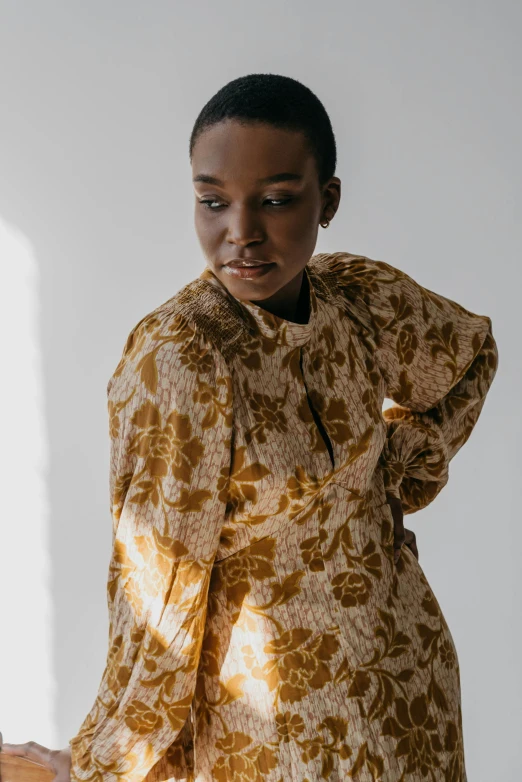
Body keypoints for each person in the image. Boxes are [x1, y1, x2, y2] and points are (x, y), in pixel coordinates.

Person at [0, 73, 498, 782]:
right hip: (268, 725)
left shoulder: (360, 303)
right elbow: (158, 588)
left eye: (275, 200)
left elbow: (469, 353)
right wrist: (101, 760)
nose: (241, 233)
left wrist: (396, 477)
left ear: (326, 200)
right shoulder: (182, 359)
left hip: (407, 692)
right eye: (212, 202)